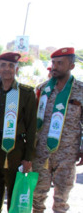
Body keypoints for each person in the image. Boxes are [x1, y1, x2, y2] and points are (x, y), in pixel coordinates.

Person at [33, 47, 83, 213]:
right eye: (53, 62)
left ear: (71, 66)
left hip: (67, 154)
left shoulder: (80, 91)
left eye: (60, 63)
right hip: (41, 153)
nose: (54, 66)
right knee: (37, 197)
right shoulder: (42, 89)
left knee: (61, 200)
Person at [0, 52, 36, 212]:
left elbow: (32, 127)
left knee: (14, 195)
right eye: (3, 65)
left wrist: (28, 157)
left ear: (17, 68)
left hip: (15, 151)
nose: (7, 69)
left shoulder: (26, 94)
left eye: (11, 65)